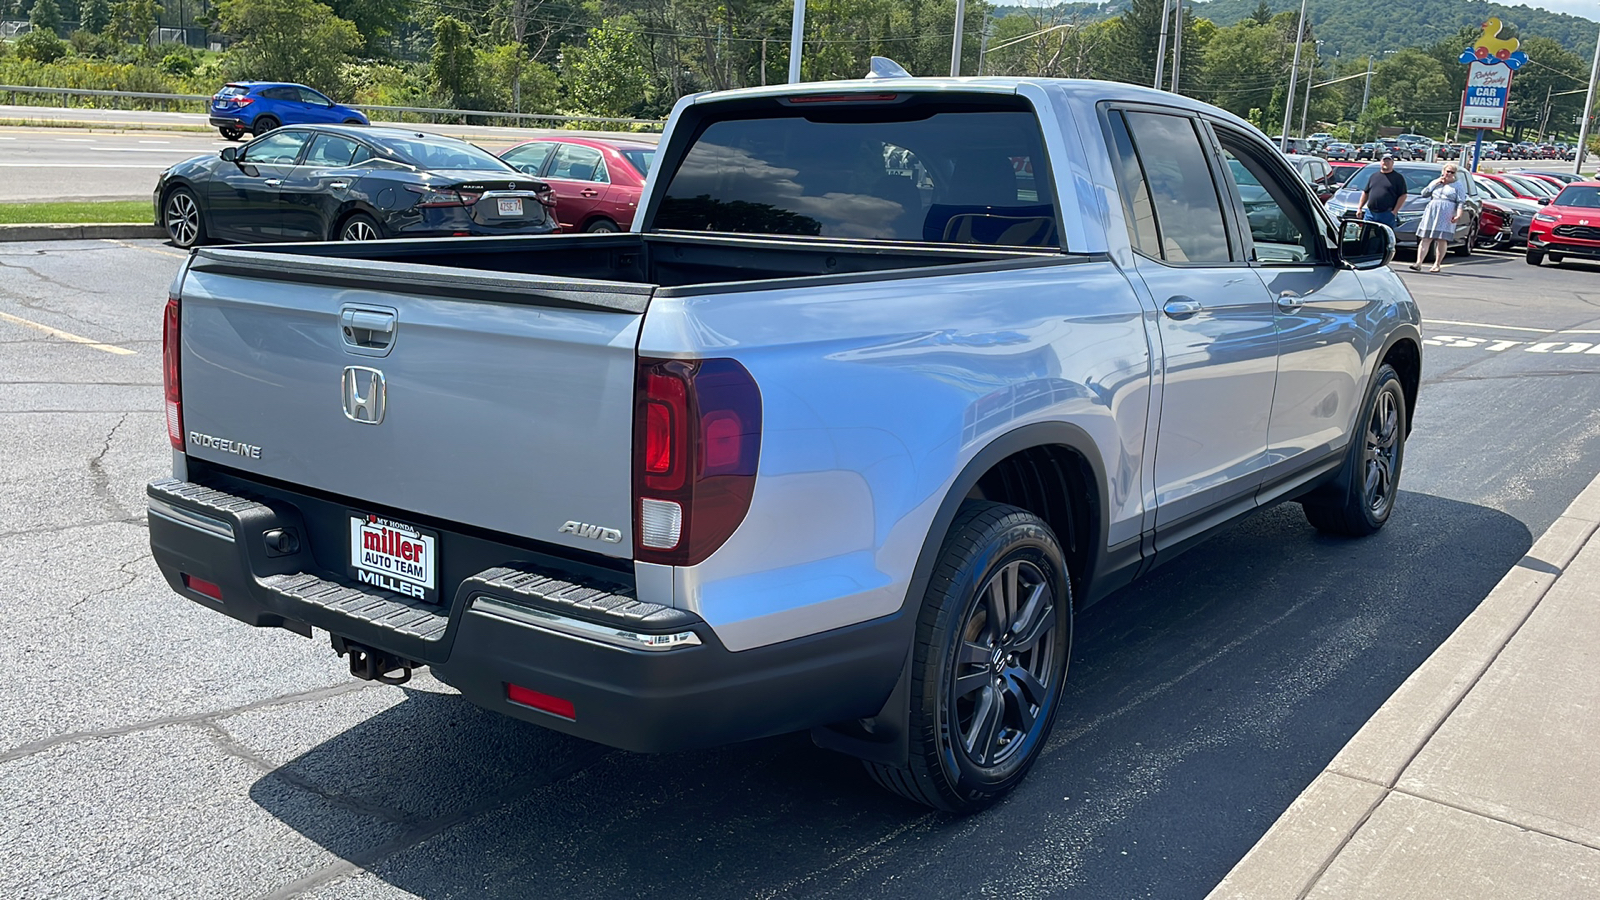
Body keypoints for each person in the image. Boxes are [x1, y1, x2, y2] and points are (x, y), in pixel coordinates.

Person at [1410, 164, 1467, 274]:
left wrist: (1458, 215)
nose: (1449, 174)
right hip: (1432, 210)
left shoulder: (1457, 186)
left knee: (1441, 239)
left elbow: (1461, 202)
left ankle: (1437, 264)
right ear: (1443, 171)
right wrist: (1435, 183)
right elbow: (1424, 194)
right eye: (1447, 171)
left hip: (1446, 211)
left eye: (1452, 172)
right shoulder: (1436, 182)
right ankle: (1418, 263)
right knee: (1426, 237)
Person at [1357, 153, 1407, 229]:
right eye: (1384, 161)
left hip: (1387, 214)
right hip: (1370, 213)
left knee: (1384, 238)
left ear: (1392, 163)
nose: (1385, 163)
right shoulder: (1374, 176)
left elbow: (1403, 195)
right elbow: (1365, 192)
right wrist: (1360, 208)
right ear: (1380, 162)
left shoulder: (1398, 178)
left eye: (1388, 161)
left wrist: (1394, 211)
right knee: (1365, 235)